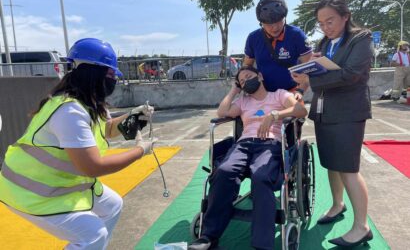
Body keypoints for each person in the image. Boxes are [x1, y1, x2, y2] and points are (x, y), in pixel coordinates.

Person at [0, 38, 155, 250]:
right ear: (92, 73)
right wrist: (139, 151)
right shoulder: (69, 111)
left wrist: (132, 115)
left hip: (57, 185)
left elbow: (107, 129)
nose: (114, 80)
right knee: (93, 235)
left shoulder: (89, 102)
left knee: (113, 206)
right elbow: (92, 167)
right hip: (28, 192)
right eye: (110, 75)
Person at [189, 66, 308, 250]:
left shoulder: (278, 95)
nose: (245, 82)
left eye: (248, 77)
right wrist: (235, 89)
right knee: (223, 171)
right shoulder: (243, 101)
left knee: (261, 177)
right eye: (242, 81)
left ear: (260, 76)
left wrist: (275, 114)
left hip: (270, 144)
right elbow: (222, 113)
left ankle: (262, 245)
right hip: (243, 144)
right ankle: (208, 237)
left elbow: (300, 110)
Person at [291, 0, 373, 247]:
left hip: (348, 112)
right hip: (324, 110)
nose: (326, 27)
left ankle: (362, 226)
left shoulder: (362, 38)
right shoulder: (326, 43)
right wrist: (305, 76)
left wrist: (312, 79)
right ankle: (338, 204)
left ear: (345, 17)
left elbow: (351, 75)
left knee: (348, 168)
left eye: (331, 21)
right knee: (332, 164)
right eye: (322, 23)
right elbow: (324, 70)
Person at [244, 0, 312, 97]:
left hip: (291, 92)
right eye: (269, 24)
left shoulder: (297, 35)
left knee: (299, 112)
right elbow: (247, 66)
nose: (275, 28)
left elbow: (310, 67)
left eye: (279, 22)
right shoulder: (253, 38)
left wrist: (300, 91)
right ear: (261, 23)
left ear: (284, 18)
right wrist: (248, 86)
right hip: (263, 95)